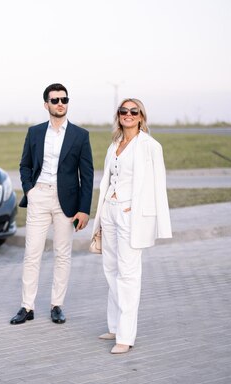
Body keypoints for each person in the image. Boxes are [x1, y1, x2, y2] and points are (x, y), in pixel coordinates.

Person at [91, 98, 172, 354]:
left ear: (141, 117)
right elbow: (108, 179)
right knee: (111, 269)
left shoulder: (150, 146)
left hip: (131, 215)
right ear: (119, 115)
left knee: (128, 274)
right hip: (109, 213)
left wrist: (158, 223)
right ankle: (114, 326)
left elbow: (158, 185)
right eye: (123, 111)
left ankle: (125, 336)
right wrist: (103, 211)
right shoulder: (115, 143)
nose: (128, 114)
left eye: (133, 111)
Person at [10, 83, 94, 326]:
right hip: (39, 196)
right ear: (46, 104)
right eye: (55, 100)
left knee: (62, 253)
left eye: (64, 100)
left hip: (67, 202)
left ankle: (57, 305)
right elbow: (25, 164)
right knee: (32, 253)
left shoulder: (80, 135)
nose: (60, 104)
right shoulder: (35, 132)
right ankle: (27, 306)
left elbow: (86, 175)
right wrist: (30, 189)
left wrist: (84, 208)